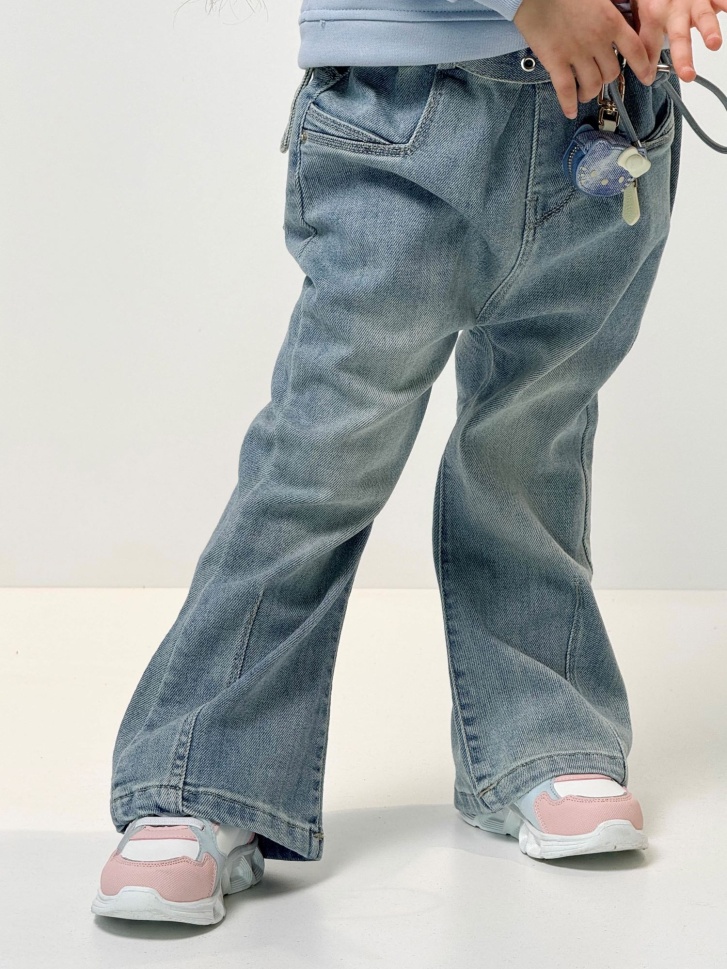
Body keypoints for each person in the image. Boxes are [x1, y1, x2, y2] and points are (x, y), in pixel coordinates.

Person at [91, 0, 723, 927]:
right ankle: (198, 772)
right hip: (409, 99)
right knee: (324, 453)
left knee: (531, 445)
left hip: (607, 110)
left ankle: (540, 732)